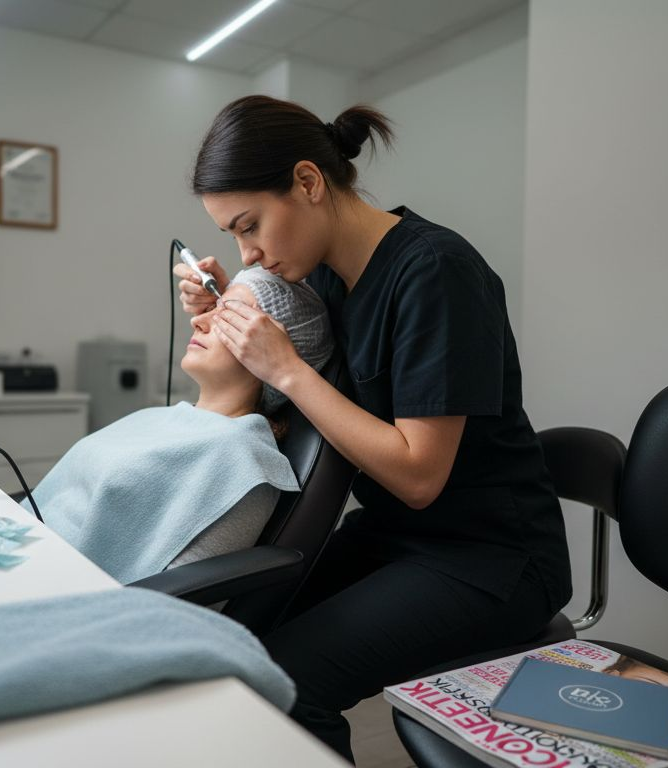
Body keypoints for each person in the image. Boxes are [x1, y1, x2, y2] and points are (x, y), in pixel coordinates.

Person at [176, 95, 572, 761]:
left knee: (287, 685)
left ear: (308, 182)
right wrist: (228, 313)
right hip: (397, 537)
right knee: (235, 632)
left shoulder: (435, 271)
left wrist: (294, 370)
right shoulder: (323, 279)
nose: (250, 253)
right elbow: (289, 418)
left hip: (491, 557)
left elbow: (419, 475)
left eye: (250, 227)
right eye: (233, 239)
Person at [28, 268, 333, 584]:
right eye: (214, 308)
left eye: (229, 315)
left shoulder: (240, 457)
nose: (198, 321)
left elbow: (172, 594)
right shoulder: (159, 418)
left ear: (273, 348)